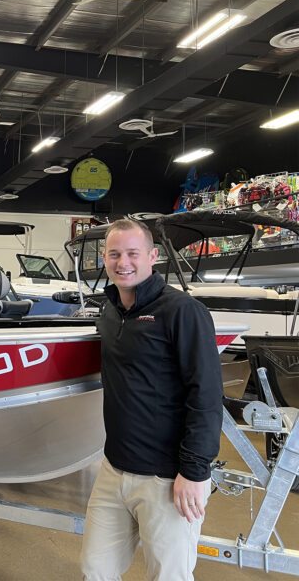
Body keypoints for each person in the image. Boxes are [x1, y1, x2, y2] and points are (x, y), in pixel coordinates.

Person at [80, 219, 223, 581]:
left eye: (132, 253)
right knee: (95, 571)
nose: (122, 262)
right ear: (105, 258)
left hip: (167, 478)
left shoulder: (183, 311)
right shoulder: (110, 311)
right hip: (113, 470)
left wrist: (194, 471)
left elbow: (206, 396)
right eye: (114, 254)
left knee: (168, 576)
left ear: (153, 256)